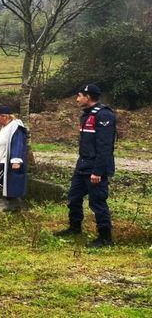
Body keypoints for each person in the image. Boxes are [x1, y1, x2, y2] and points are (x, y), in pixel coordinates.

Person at [54, 84, 116, 248]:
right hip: (82, 165)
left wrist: (98, 171)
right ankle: (75, 228)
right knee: (73, 198)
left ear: (88, 97)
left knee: (97, 202)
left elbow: (105, 147)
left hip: (96, 167)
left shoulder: (104, 115)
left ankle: (105, 237)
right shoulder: (86, 115)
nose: (77, 99)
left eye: (79, 96)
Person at [0, 105, 29, 212]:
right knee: (1, 182)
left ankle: (12, 202)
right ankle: (10, 205)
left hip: (9, 161)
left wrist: (16, 160)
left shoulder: (16, 127)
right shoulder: (5, 127)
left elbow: (18, 144)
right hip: (2, 160)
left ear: (4, 117)